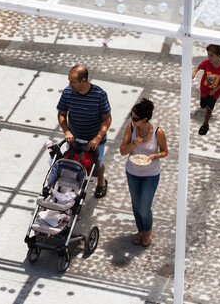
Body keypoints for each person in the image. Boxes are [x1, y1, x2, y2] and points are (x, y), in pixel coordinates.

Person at [119, 98, 168, 247]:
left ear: (145, 119)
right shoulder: (131, 128)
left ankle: (148, 229)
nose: (132, 120)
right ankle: (140, 230)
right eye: (131, 116)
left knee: (144, 207)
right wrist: (133, 143)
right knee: (135, 204)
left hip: (151, 174)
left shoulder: (158, 132)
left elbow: (165, 151)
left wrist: (155, 155)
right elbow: (122, 151)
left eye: (135, 118)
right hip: (133, 172)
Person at [57, 64, 112, 198]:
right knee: (73, 165)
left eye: (73, 81)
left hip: (94, 140)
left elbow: (107, 119)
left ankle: (101, 181)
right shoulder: (67, 92)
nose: (70, 84)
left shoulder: (99, 95)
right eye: (69, 81)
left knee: (95, 167)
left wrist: (98, 138)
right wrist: (67, 132)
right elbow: (62, 114)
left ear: (83, 81)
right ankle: (72, 193)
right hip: (74, 139)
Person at [192, 44, 220, 135]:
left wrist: (215, 91)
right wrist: (194, 73)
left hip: (214, 93)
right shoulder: (207, 62)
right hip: (204, 89)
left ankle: (205, 124)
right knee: (203, 106)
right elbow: (199, 67)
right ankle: (205, 107)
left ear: (219, 56)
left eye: (211, 55)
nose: (209, 57)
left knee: (209, 109)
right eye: (208, 54)